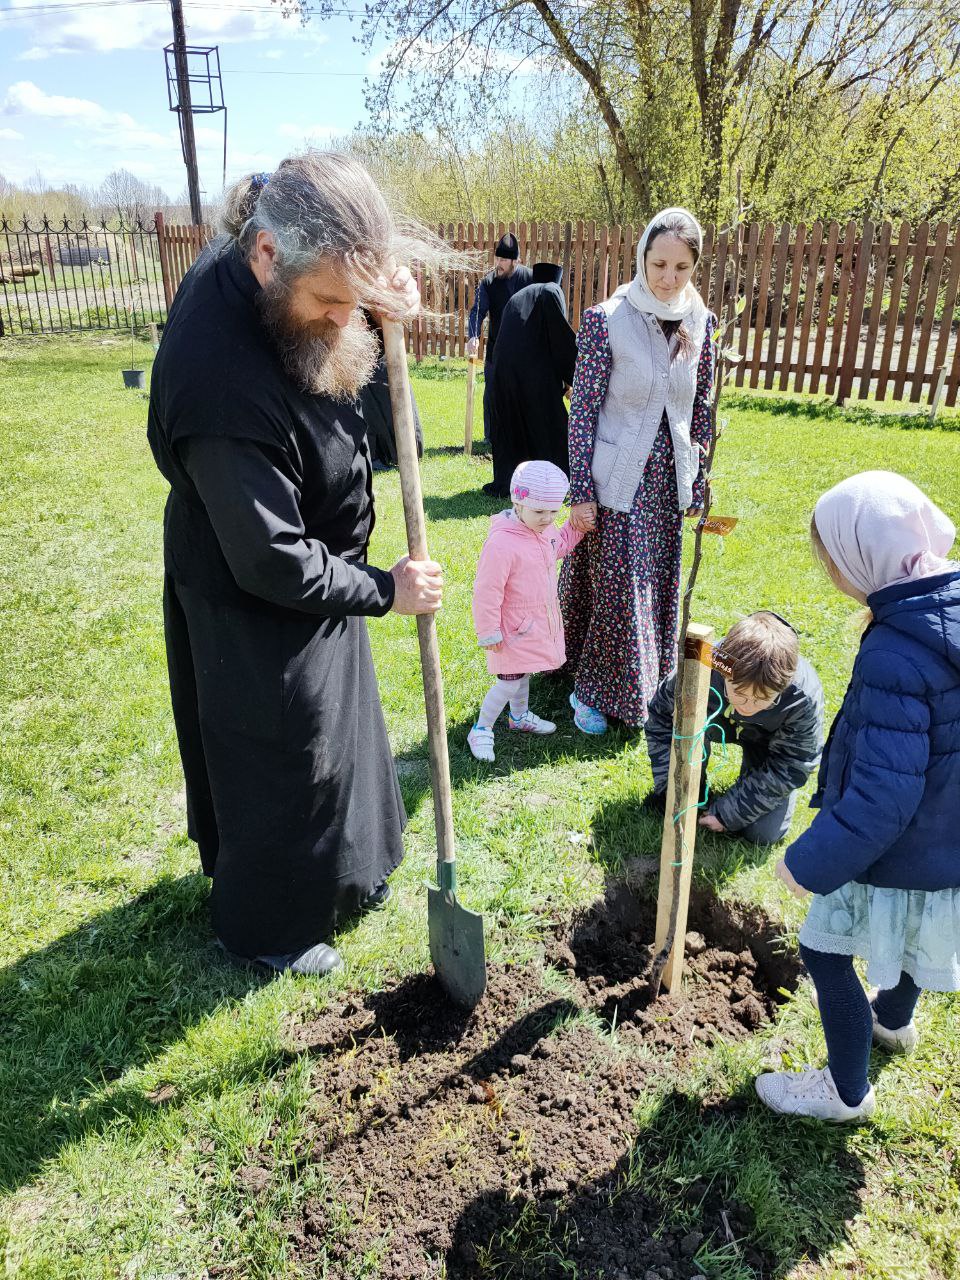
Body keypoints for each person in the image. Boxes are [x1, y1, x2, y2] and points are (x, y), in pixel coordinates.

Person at [147, 153, 444, 977]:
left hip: (320, 563)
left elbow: (345, 309)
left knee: (335, 731)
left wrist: (385, 304)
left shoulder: (286, 255)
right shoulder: (217, 381)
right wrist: (383, 590)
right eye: (329, 304)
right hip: (249, 588)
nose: (342, 318)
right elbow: (271, 557)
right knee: (280, 750)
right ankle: (268, 927)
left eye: (353, 301)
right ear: (267, 256)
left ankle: (350, 872)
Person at [756, 471, 960, 1122]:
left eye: (831, 560)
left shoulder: (895, 654)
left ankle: (845, 1093)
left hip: (897, 843)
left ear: (862, 556)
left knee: (824, 949)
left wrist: (810, 861)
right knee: (912, 936)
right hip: (946, 837)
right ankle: (892, 1022)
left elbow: (883, 794)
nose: (830, 573)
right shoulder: (946, 607)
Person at [559, 207, 716, 735]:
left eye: (682, 267)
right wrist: (582, 490)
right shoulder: (608, 319)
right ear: (642, 259)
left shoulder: (701, 322)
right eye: (659, 265)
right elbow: (583, 409)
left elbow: (700, 409)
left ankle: (647, 681)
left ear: (695, 267)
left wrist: (697, 479)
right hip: (618, 478)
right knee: (619, 587)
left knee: (656, 584)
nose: (669, 279)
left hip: (667, 483)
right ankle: (592, 691)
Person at [644, 612, 824, 845]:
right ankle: (694, 789)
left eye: (762, 699)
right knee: (677, 800)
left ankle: (748, 785)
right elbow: (662, 719)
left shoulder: (801, 698)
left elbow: (793, 763)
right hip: (712, 722)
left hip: (767, 741)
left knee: (762, 833)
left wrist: (729, 813)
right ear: (725, 672)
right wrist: (672, 787)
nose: (747, 706)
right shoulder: (704, 663)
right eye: (739, 693)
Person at [468, 460, 584, 763]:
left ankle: (518, 717)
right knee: (508, 681)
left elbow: (559, 545)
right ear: (518, 504)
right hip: (510, 629)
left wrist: (575, 527)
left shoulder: (543, 531)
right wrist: (488, 630)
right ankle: (481, 728)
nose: (548, 519)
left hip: (531, 625)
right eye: (540, 511)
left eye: (553, 512)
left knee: (522, 674)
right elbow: (487, 590)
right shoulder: (502, 544)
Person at [488, 262, 577, 497]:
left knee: (514, 426)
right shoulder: (550, 291)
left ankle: (513, 481)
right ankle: (559, 480)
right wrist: (575, 377)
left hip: (503, 373)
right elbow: (559, 339)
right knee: (551, 425)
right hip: (533, 374)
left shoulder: (517, 296)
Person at [465, 232, 533, 475]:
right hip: (497, 348)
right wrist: (473, 335)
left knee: (521, 395)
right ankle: (491, 436)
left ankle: (522, 436)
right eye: (497, 259)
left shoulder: (529, 279)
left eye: (504, 260)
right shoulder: (488, 282)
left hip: (523, 351)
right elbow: (477, 311)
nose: (499, 264)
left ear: (515, 261)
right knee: (492, 392)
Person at [357, 309, 424, 471]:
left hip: (384, 347)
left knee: (392, 396)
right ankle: (376, 454)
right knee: (368, 401)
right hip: (362, 350)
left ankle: (407, 449)